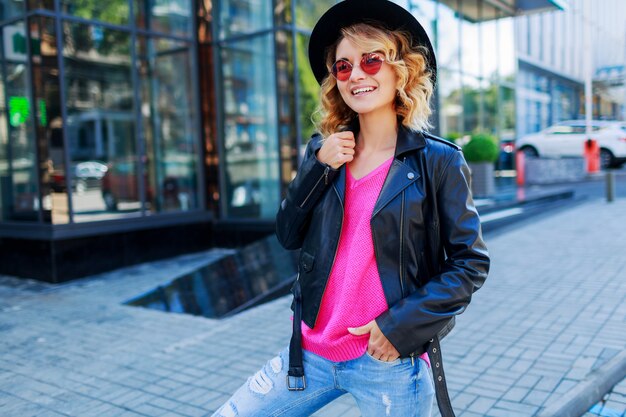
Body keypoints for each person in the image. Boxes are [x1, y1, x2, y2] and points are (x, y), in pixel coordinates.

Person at [210, 1, 489, 416]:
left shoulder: (437, 162)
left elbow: (470, 264)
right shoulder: (322, 153)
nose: (356, 74)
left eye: (371, 61)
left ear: (401, 70)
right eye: (343, 67)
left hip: (388, 361)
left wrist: (399, 328)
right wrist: (318, 169)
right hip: (310, 352)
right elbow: (287, 233)